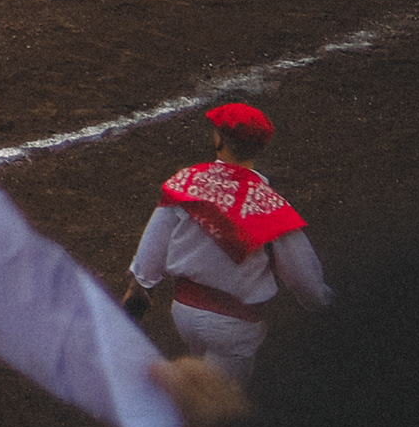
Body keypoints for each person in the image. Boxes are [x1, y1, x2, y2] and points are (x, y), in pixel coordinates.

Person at [129, 100, 331, 377]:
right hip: (234, 325)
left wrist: (141, 285)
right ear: (261, 147)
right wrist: (323, 302)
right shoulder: (271, 206)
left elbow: (155, 239)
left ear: (218, 140)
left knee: (203, 376)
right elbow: (303, 275)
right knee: (222, 408)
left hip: (185, 313)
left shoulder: (187, 182)